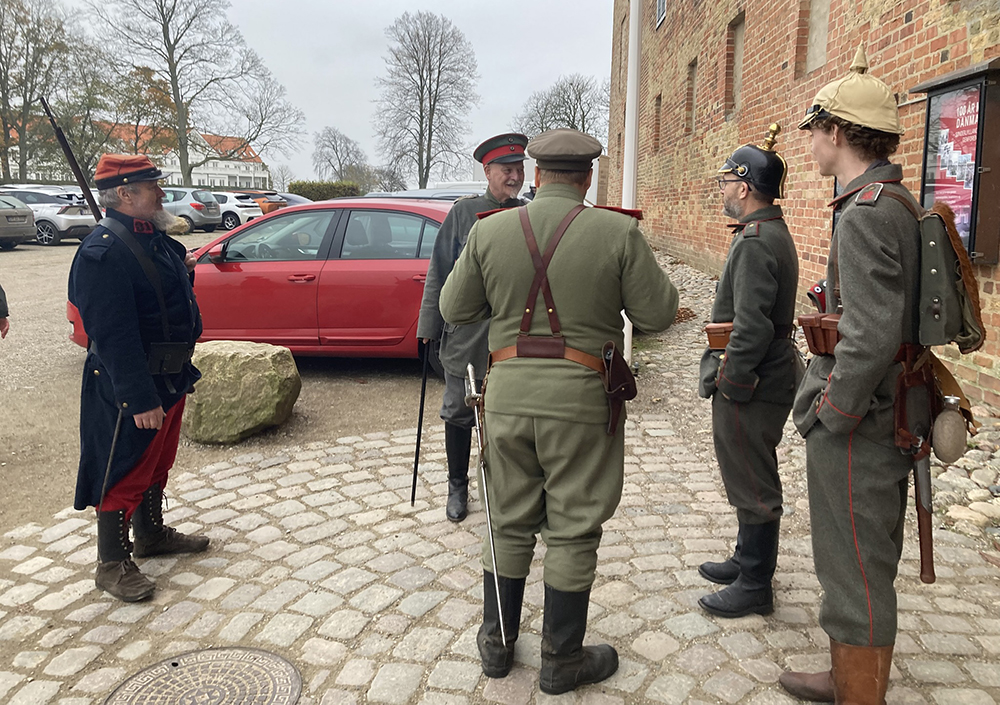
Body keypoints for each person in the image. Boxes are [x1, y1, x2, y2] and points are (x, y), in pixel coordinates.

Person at [440, 128, 678, 694]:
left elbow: (454, 307)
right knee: (572, 528)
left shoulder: (489, 231)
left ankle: (496, 646)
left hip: (505, 400)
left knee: (507, 518)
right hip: (580, 403)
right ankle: (561, 659)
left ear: (538, 175)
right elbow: (660, 313)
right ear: (588, 177)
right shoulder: (617, 231)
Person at [780, 47, 926, 703]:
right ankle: (847, 675)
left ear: (836, 132)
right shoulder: (895, 199)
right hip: (890, 406)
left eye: (814, 129)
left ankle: (858, 691)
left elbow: (868, 335)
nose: (809, 142)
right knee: (864, 555)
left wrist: (833, 416)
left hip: (861, 419)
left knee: (856, 564)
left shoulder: (866, 212)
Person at [68, 154, 208, 603]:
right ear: (126, 194)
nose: (163, 194)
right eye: (153, 187)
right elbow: (112, 335)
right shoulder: (102, 253)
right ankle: (111, 562)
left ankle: (150, 533)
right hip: (134, 386)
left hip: (170, 375)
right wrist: (138, 397)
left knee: (157, 462)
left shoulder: (155, 241)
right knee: (125, 469)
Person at [697, 125, 802, 619]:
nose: (722, 190)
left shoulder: (758, 241)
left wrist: (731, 381)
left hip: (754, 380)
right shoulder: (764, 233)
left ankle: (756, 582)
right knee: (745, 470)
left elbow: (753, 327)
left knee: (754, 479)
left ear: (744, 187)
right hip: (762, 374)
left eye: (725, 182)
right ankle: (746, 559)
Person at [416, 133, 528, 522]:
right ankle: (457, 486)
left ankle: (506, 486)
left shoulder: (528, 213)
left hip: (515, 335)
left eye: (519, 169)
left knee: (510, 413)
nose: (515, 177)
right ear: (487, 171)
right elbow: (439, 271)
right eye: (507, 170)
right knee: (459, 411)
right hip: (468, 336)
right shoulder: (464, 214)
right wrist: (427, 326)